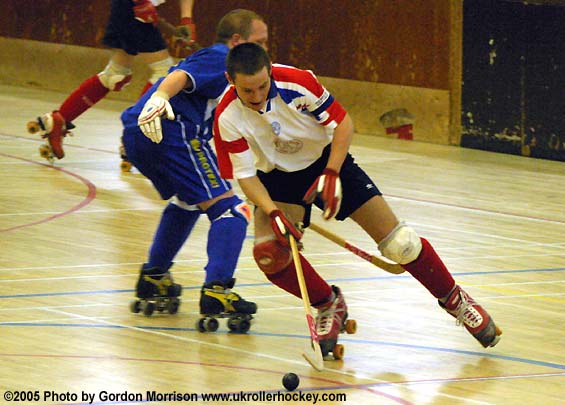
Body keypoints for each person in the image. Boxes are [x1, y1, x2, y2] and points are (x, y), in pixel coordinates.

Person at [213, 43, 502, 354]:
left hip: (327, 161)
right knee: (269, 254)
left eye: (262, 86)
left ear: (270, 71)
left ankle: (456, 300)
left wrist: (332, 172)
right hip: (277, 178)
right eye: (248, 90)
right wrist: (272, 212)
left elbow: (343, 124)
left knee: (401, 244)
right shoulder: (226, 116)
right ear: (231, 80)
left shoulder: (297, 82)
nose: (257, 96)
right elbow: (246, 176)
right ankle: (328, 304)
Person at [120, 10, 269, 328]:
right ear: (237, 41)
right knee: (232, 211)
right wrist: (160, 98)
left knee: (189, 201)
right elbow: (182, 78)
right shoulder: (222, 58)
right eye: (260, 42)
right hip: (172, 131)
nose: (265, 50)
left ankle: (154, 275)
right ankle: (217, 290)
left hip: (138, 133)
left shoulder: (231, 70)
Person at [27, 0, 196, 161]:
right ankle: (135, 135)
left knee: (115, 74)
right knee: (164, 74)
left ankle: (58, 120)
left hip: (134, 9)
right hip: (133, 7)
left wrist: (186, 19)